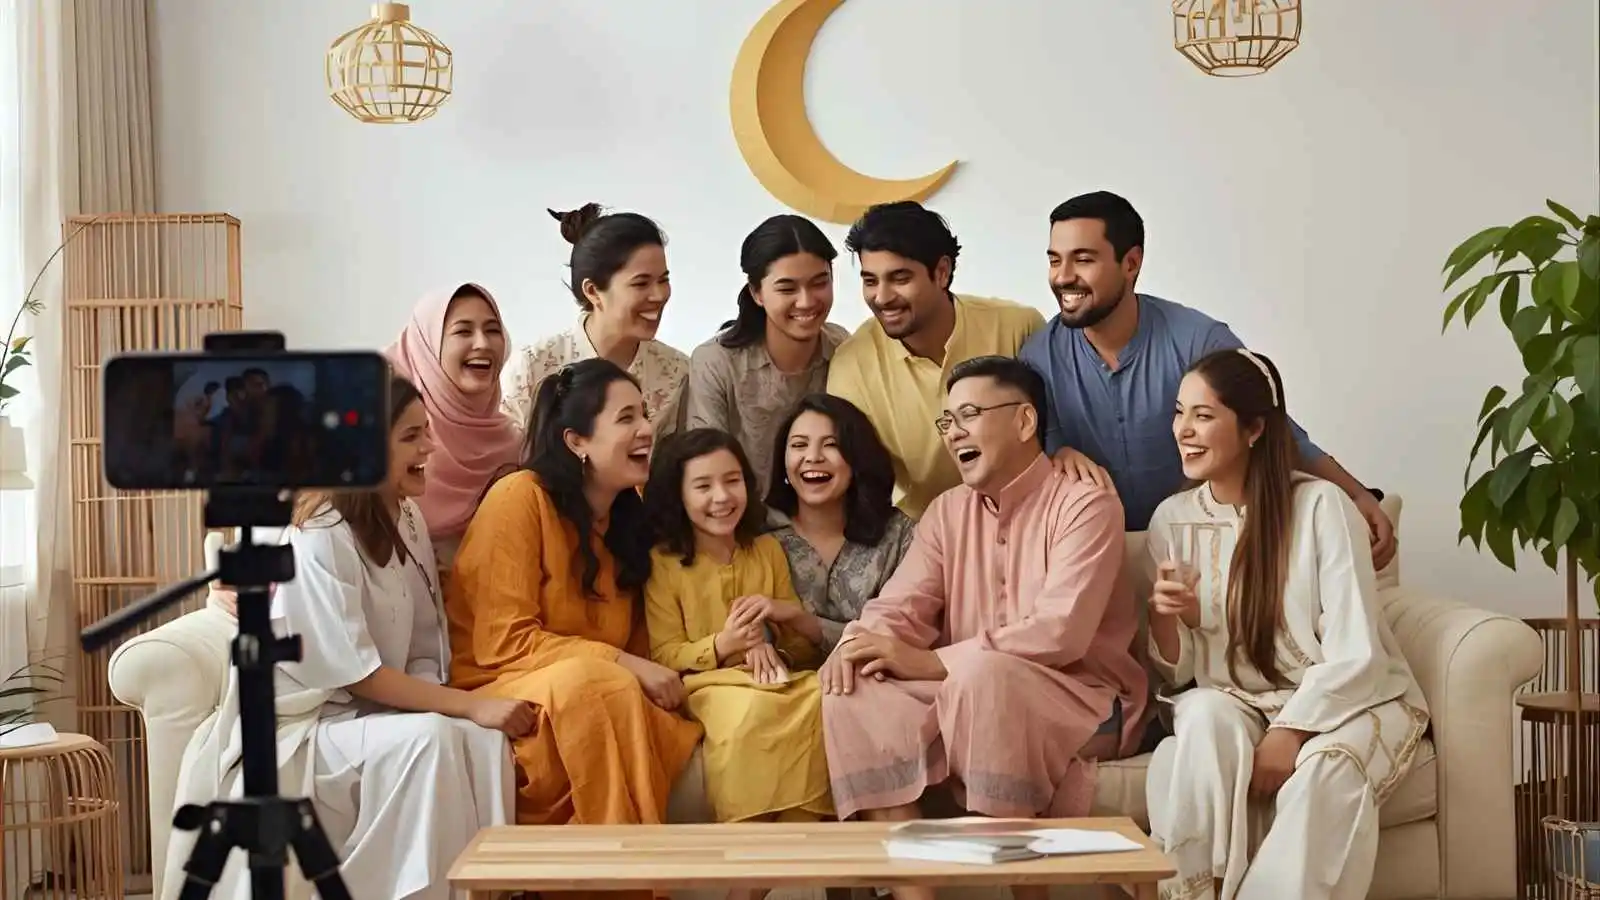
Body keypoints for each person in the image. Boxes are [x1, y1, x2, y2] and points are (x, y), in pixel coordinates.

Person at [163, 376, 523, 900]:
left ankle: (486, 893)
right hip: (306, 725)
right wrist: (466, 705)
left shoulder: (407, 517)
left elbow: (425, 643)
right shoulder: (321, 530)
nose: (430, 448)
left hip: (369, 712)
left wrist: (454, 708)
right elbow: (360, 675)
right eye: (412, 437)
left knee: (486, 742)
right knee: (437, 738)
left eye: (428, 433)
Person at [819, 357, 1150, 900]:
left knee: (987, 677)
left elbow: (1060, 632)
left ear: (1023, 423)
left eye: (968, 415)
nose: (954, 434)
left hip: (1084, 701)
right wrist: (856, 642)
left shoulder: (1086, 504)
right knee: (851, 691)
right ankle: (914, 895)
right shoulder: (948, 511)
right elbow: (900, 606)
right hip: (969, 692)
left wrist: (936, 662)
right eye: (946, 423)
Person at [1143, 349, 1428, 900]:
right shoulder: (1171, 521)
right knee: (1200, 720)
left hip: (1348, 700)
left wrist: (1290, 732)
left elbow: (1355, 651)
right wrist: (1162, 615)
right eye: (1180, 413)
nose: (1184, 430)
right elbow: (1177, 676)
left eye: (1204, 416)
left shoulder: (1322, 508)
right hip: (1237, 698)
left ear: (1253, 429)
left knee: (1326, 772)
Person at [1019, 191, 1396, 568]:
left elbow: (1274, 429)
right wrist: (1056, 453)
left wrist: (1357, 494)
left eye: (1083, 259)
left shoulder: (1198, 339)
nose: (1063, 277)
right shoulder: (1037, 358)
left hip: (1206, 553)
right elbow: (1032, 461)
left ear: (1131, 262)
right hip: (1097, 561)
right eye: (1055, 260)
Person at [447, 357, 702, 834]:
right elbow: (505, 642)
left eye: (644, 414)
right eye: (626, 418)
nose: (647, 429)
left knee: (633, 694)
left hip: (599, 688)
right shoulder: (519, 497)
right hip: (503, 680)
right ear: (576, 442)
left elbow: (644, 640)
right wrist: (623, 665)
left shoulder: (631, 512)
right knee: (595, 684)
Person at [641, 428, 832, 838]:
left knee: (828, 700)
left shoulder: (767, 550)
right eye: (703, 486)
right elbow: (663, 656)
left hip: (780, 680)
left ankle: (774, 863)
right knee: (753, 715)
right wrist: (723, 645)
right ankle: (748, 871)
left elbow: (801, 651)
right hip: (710, 687)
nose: (722, 497)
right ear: (678, 495)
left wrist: (776, 631)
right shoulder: (662, 563)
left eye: (732, 480)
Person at [825, 201, 1045, 519]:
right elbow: (858, 483)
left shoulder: (1018, 327)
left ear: (942, 272)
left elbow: (1056, 431)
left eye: (899, 278)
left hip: (1032, 515)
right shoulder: (851, 366)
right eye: (870, 280)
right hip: (927, 532)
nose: (882, 297)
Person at [684, 214, 850, 500]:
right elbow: (707, 470)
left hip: (825, 518)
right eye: (787, 288)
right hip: (741, 525)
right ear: (756, 292)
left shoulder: (843, 348)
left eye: (819, 283)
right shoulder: (715, 362)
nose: (807, 301)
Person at [501, 203, 690, 435]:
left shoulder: (678, 372)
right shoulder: (533, 368)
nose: (659, 295)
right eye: (641, 283)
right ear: (592, 291)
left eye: (663, 280)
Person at [764, 393, 916, 653]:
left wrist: (809, 624)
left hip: (875, 683)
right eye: (799, 445)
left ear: (858, 458)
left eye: (831, 444)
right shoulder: (757, 531)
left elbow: (906, 634)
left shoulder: (899, 535)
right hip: (775, 686)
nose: (813, 457)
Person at [386, 282, 523, 567]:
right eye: (463, 331)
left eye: (493, 330)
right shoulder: (391, 438)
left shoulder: (514, 446)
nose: (483, 343)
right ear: (427, 348)